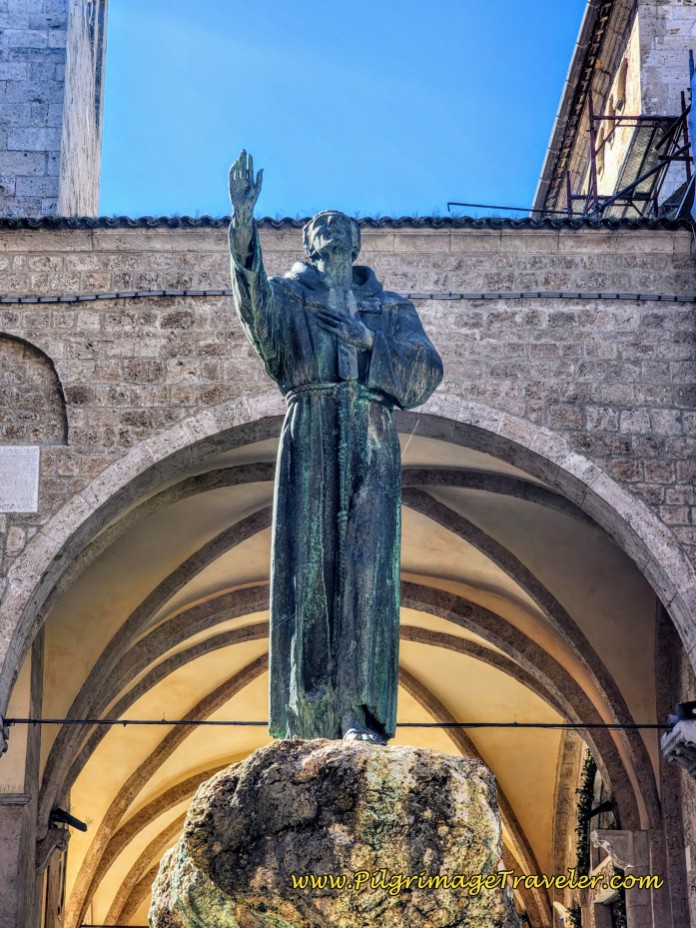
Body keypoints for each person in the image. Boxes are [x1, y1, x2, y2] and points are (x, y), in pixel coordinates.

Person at [228, 150, 443, 744]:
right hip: (312, 430)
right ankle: (310, 711)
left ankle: (359, 711)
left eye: (341, 225)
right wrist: (243, 224)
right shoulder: (290, 296)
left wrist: (369, 342)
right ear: (307, 243)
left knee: (367, 572)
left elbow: (425, 374)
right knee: (311, 572)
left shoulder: (391, 307)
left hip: (372, 436)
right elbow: (254, 309)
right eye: (319, 226)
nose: (331, 230)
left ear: (357, 242)